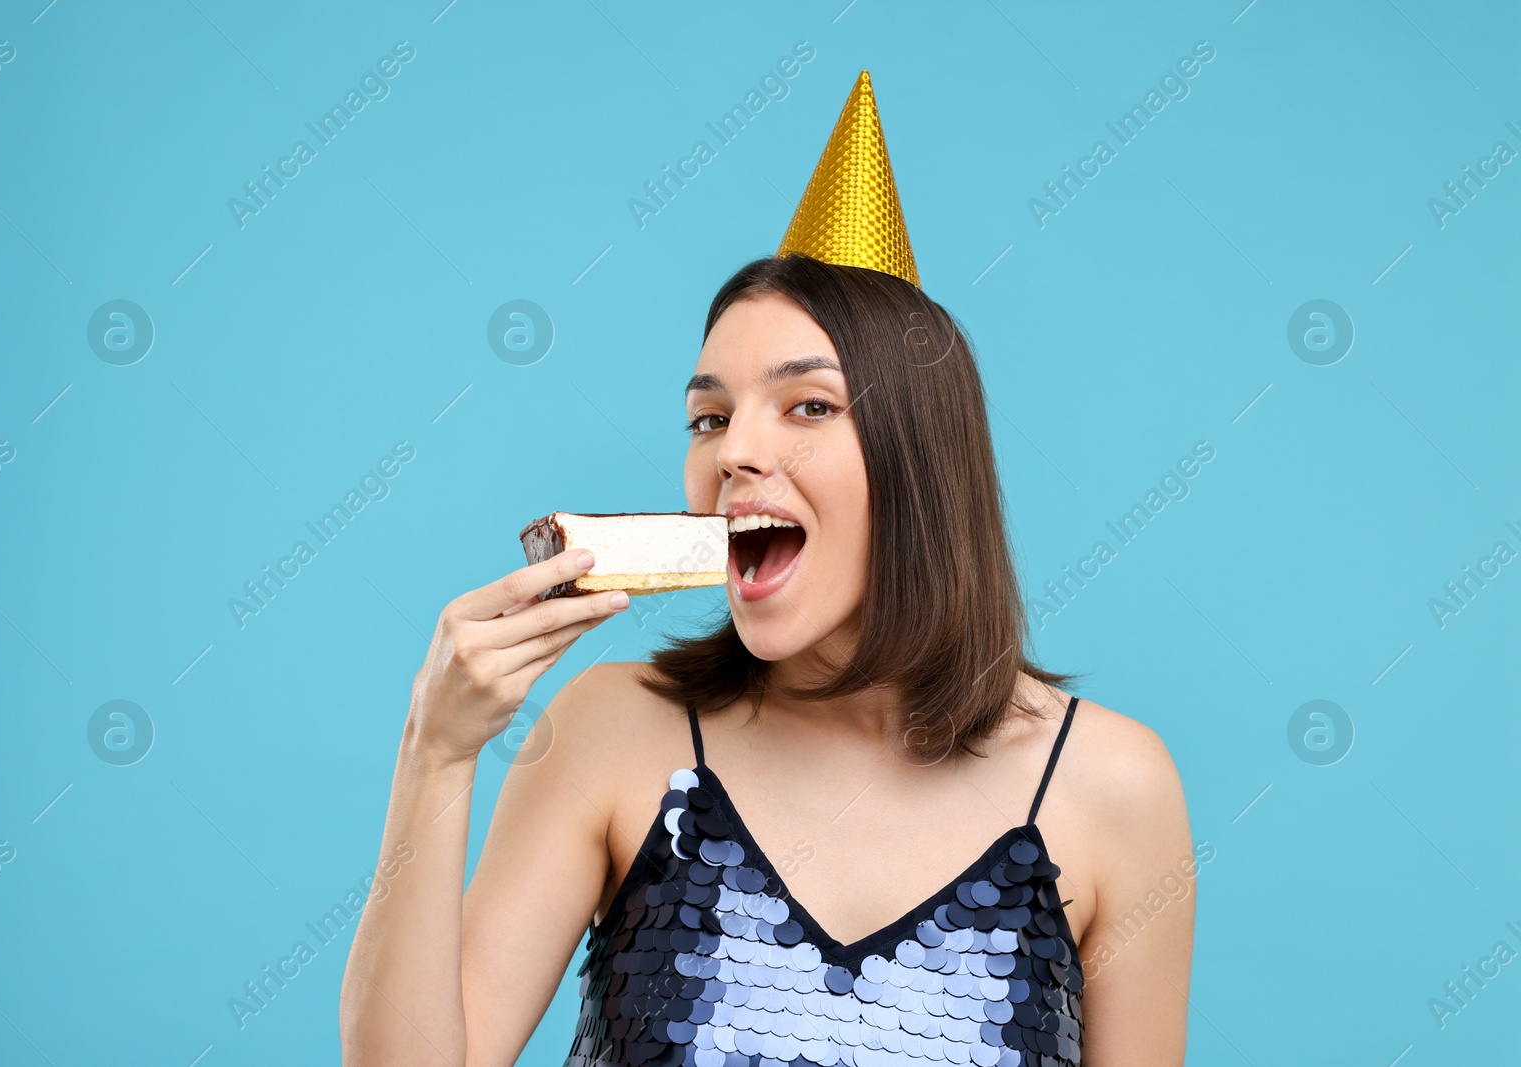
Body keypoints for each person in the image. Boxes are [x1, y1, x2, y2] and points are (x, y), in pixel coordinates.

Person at [341, 72, 1193, 1067]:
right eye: (709, 415)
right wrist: (433, 750)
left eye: (808, 405)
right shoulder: (608, 732)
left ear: (921, 459)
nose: (732, 452)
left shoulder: (1113, 786)